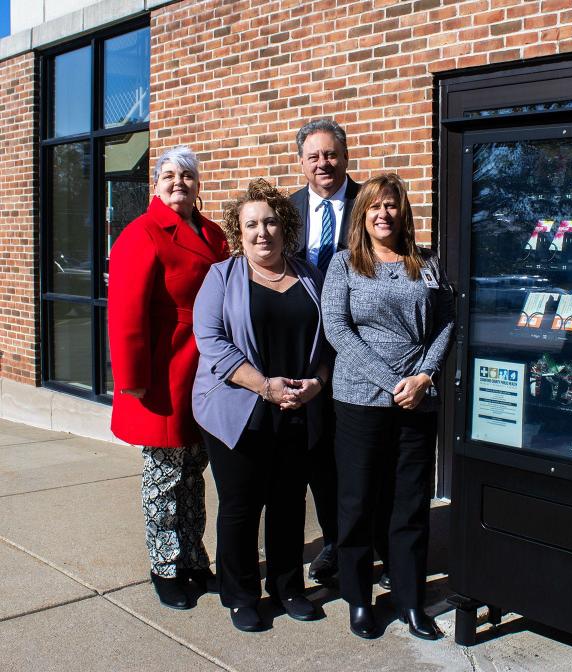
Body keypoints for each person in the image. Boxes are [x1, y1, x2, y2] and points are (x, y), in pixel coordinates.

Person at [192, 178, 332, 632]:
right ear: (239, 230)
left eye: (270, 221)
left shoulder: (309, 276)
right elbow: (210, 343)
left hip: (297, 407)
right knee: (240, 505)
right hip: (239, 411)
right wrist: (264, 387)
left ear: (284, 225)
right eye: (251, 224)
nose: (262, 232)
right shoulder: (221, 276)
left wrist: (317, 384)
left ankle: (289, 587)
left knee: (289, 502)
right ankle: (240, 594)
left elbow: (331, 341)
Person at [321, 173, 454, 640]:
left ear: (403, 212)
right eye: (375, 206)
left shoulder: (427, 263)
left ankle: (410, 600)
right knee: (356, 502)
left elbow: (444, 324)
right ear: (362, 214)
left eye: (392, 205)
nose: (383, 213)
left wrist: (424, 377)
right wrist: (392, 380)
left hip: (417, 400)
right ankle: (359, 599)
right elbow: (337, 329)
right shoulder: (344, 265)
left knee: (410, 506)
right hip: (360, 400)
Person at [108, 145, 229, 610]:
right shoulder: (142, 233)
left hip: (205, 366)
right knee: (164, 475)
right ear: (154, 185)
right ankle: (164, 565)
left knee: (194, 470)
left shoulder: (214, 233)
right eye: (169, 176)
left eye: (188, 176)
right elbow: (125, 313)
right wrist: (132, 378)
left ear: (199, 186)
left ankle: (195, 559)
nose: (179, 183)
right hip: (164, 369)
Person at [289, 119, 364, 586]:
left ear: (346, 157)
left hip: (360, 351)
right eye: (314, 156)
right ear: (301, 163)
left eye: (331, 154)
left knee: (359, 454)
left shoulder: (369, 205)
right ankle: (337, 542)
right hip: (306, 352)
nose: (324, 163)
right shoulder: (287, 210)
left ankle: (368, 540)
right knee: (318, 457)